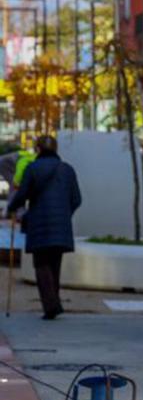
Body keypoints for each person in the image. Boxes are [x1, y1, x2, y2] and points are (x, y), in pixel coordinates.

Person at [6, 135, 82, 320]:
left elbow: (22, 194)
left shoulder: (33, 169)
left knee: (41, 265)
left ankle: (52, 306)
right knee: (54, 265)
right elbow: (77, 199)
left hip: (39, 224)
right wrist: (64, 214)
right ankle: (53, 304)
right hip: (61, 226)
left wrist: (12, 207)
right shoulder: (67, 169)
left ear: (38, 149)